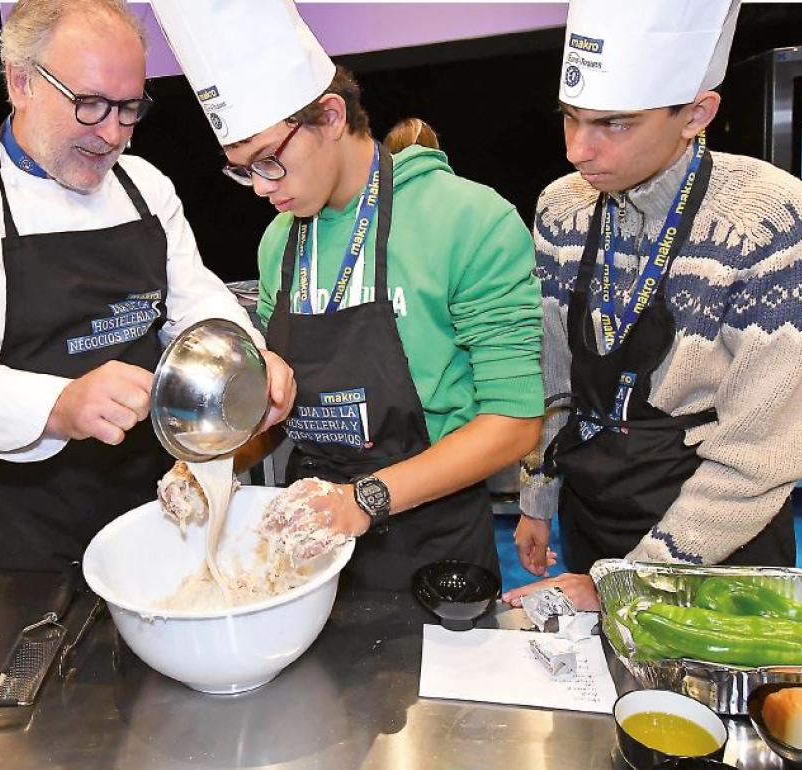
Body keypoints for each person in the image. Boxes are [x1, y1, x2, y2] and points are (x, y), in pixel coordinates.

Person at [0, 0, 295, 572]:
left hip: (159, 500)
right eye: (89, 105)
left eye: (129, 108)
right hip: (25, 522)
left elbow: (197, 300)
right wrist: (58, 405)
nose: (113, 134)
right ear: (21, 82)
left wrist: (249, 360)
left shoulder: (145, 185)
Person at [151, 0, 544, 590]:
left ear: (330, 116)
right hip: (308, 540)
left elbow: (513, 422)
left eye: (267, 162)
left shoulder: (468, 220)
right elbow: (283, 413)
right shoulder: (278, 241)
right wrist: (215, 464)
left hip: (434, 548)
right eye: (241, 169)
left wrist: (363, 500)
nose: (259, 188)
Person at [506, 0, 802, 611]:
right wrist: (537, 498)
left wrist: (628, 582)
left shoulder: (768, 217)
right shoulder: (562, 209)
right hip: (594, 513)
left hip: (718, 543)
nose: (579, 150)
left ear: (696, 114)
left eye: (614, 124)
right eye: (570, 119)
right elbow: (552, 376)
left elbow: (761, 452)